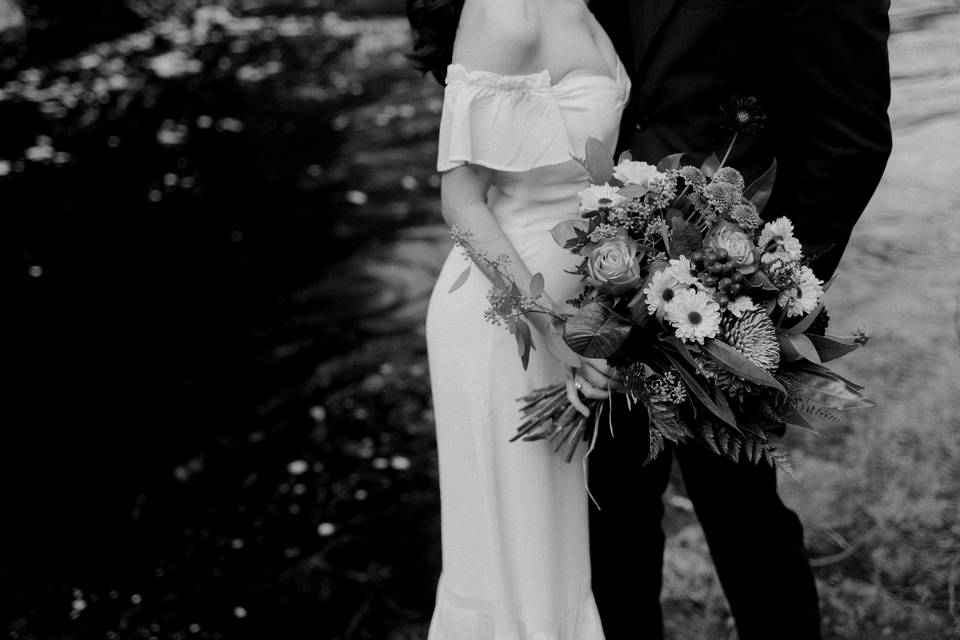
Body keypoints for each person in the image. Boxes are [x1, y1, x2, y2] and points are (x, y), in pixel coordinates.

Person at [586, 0, 893, 638]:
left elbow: (851, 135)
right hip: (591, 278)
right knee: (606, 525)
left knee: (744, 520)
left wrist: (768, 284)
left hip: (727, 301)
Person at [407, 0, 630, 637]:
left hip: (573, 316)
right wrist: (552, 328)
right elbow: (462, 200)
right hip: (505, 324)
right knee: (519, 565)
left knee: (552, 561)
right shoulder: (502, 15)